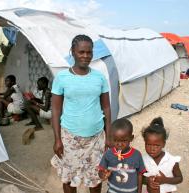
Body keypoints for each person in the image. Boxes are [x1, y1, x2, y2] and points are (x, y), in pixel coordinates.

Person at [51, 34, 111, 193]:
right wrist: (57, 139)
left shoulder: (99, 77)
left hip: (96, 138)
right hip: (70, 138)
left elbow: (106, 108)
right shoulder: (61, 78)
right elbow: (56, 110)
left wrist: (108, 136)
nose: (85, 56)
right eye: (81, 52)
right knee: (70, 180)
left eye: (89, 52)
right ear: (73, 52)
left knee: (95, 178)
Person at [98, 118, 146, 193]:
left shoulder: (136, 155)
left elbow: (140, 174)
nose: (119, 144)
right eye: (116, 140)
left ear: (131, 138)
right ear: (111, 138)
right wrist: (103, 174)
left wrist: (139, 190)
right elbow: (101, 171)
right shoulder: (108, 154)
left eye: (123, 140)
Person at [142, 117, 183, 193]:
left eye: (156, 145)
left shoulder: (171, 160)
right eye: (148, 144)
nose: (152, 148)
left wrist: (165, 180)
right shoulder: (143, 160)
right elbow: (140, 177)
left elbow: (179, 178)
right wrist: (147, 180)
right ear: (145, 142)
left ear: (163, 144)